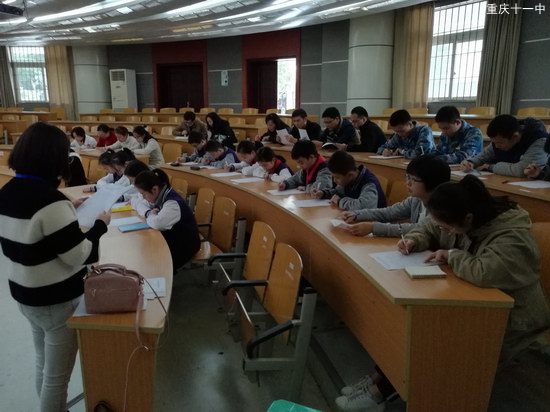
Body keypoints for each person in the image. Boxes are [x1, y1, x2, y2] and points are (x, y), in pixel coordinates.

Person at [0, 122, 110, 412]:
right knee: (57, 379)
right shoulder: (51, 202)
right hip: (55, 300)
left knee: (43, 363)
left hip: (25, 293)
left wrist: (70, 208)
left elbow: (33, 233)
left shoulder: (7, 191)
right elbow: (80, 255)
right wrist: (100, 226)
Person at [400, 176, 550, 364]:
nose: (443, 231)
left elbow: (485, 272)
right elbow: (429, 227)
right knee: (427, 331)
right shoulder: (458, 216)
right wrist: (414, 240)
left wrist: (452, 255)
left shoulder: (512, 236)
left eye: (446, 228)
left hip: (515, 322)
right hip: (476, 303)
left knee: (443, 344)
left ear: (468, 219)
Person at [341, 155, 451, 237]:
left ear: (432, 183)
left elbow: (418, 228)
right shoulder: (415, 200)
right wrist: (357, 214)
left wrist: (374, 227)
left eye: (413, 180)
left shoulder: (442, 208)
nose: (408, 183)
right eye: (407, 177)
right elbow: (389, 212)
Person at [133, 169, 200, 270]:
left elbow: (157, 223)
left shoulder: (173, 203)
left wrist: (149, 215)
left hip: (184, 246)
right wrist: (148, 213)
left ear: (154, 189)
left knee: (149, 260)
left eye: (144, 194)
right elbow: (137, 203)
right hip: (172, 238)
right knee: (143, 249)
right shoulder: (160, 194)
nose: (143, 197)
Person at [461, 115, 549, 177]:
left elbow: (522, 170)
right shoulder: (499, 139)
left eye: (500, 143)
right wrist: (470, 163)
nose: (496, 146)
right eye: (494, 143)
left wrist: (491, 167)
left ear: (515, 136)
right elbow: (483, 156)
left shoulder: (539, 140)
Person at [313, 151, 386, 211]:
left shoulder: (369, 183)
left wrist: (340, 201)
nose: (334, 180)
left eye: (337, 177)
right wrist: (324, 193)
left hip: (375, 221)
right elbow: (338, 192)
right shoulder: (348, 178)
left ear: (350, 175)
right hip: (357, 218)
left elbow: (363, 207)